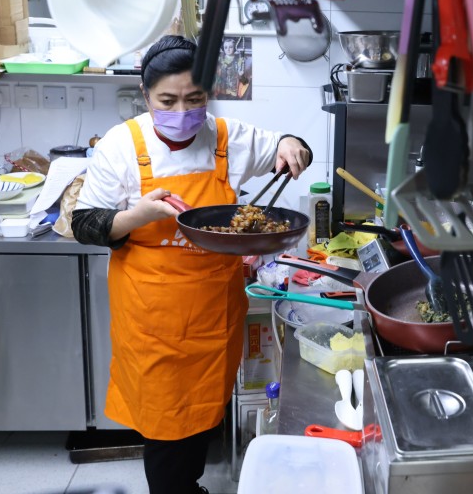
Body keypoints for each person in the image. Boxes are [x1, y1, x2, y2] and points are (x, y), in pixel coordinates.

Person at [72, 36, 312, 494]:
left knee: (203, 412)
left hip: (213, 314)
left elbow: (285, 147)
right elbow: (85, 224)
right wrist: (138, 214)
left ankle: (190, 486)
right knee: (165, 427)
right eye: (167, 100)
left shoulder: (225, 137)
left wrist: (291, 144)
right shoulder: (122, 145)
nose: (182, 111)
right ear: (146, 96)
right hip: (152, 317)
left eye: (194, 99)